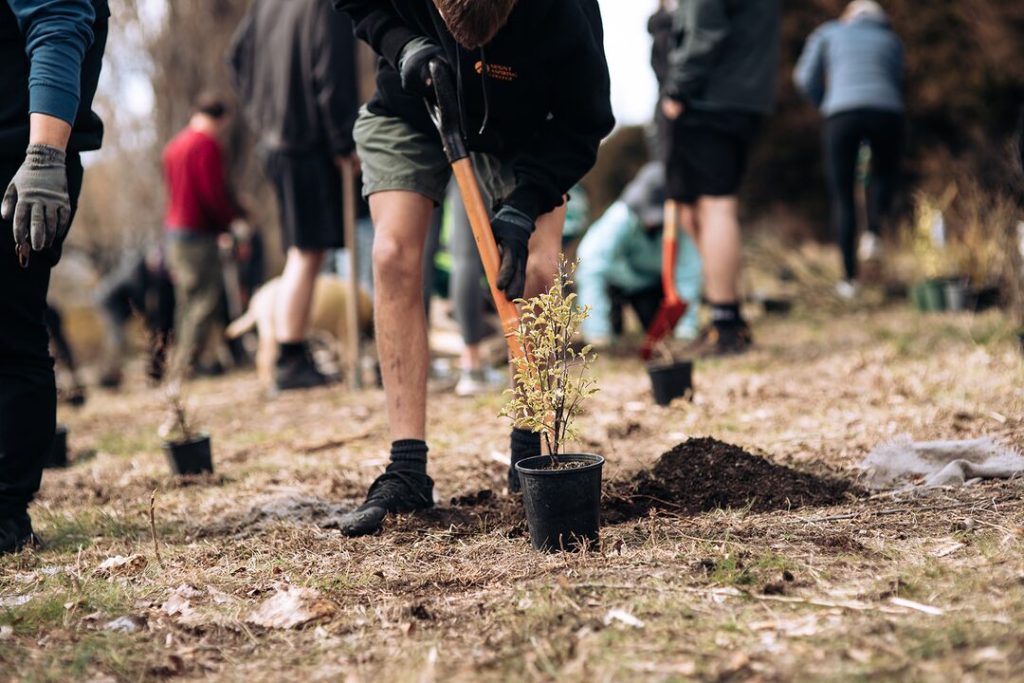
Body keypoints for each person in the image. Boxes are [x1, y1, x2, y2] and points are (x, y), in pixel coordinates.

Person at [333, 0, 614, 535]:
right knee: (392, 255)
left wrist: (524, 204)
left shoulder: (565, 13)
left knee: (538, 270)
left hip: (525, 127)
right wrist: (402, 44)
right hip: (412, 100)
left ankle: (530, 450)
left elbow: (585, 122)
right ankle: (407, 469)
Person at [0, 0, 108, 555]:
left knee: (9, 334)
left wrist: (44, 156)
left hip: (19, 167)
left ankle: (5, 511)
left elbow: (58, 20)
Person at [229, 0, 360, 392]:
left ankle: (293, 351)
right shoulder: (327, 5)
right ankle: (290, 356)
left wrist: (261, 112)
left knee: (303, 249)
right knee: (306, 250)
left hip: (278, 138)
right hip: (305, 141)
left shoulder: (266, 4)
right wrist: (343, 139)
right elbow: (332, 71)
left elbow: (236, 57)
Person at [662, 0, 779, 355]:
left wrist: (678, 87)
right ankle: (725, 315)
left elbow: (705, 30)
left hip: (710, 99)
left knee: (715, 206)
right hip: (742, 96)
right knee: (697, 211)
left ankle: (726, 322)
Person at [794, 0, 905, 299]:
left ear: (849, 17)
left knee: (842, 195)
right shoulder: (892, 40)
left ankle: (849, 280)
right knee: (885, 175)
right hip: (886, 112)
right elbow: (897, 79)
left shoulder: (828, 32)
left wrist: (826, 102)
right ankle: (873, 233)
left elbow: (803, 78)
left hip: (841, 115)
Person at [576, 162, 701, 347]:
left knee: (658, 329)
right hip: (615, 282)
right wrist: (597, 333)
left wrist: (686, 330)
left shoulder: (678, 228)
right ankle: (607, 328)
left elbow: (688, 274)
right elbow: (591, 268)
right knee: (609, 330)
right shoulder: (619, 219)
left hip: (650, 285)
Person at [162, 94, 240, 379]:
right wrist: (227, 224)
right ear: (221, 118)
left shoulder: (173, 147)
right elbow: (212, 193)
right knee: (204, 300)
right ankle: (186, 366)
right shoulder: (206, 145)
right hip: (198, 232)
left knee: (186, 301)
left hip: (174, 232)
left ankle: (180, 362)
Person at [94, 247, 175, 386]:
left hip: (122, 302)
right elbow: (140, 299)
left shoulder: (147, 272)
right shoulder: (136, 271)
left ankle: (111, 375)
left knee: (119, 338)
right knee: (117, 338)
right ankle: (108, 377)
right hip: (110, 303)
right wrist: (150, 319)